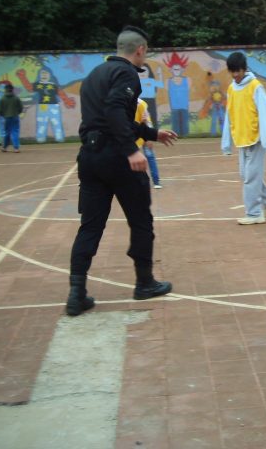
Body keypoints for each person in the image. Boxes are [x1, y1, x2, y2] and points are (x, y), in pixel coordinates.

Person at [66, 26, 178, 315]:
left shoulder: (94, 75)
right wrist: (131, 150)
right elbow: (115, 111)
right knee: (141, 221)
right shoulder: (126, 74)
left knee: (90, 226)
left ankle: (76, 293)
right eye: (146, 52)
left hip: (90, 157)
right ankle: (144, 283)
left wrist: (152, 133)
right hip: (117, 157)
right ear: (140, 50)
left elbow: (110, 119)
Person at [221, 51, 266, 225]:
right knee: (246, 175)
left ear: (244, 68)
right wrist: (226, 141)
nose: (235, 74)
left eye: (238, 71)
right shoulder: (232, 89)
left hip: (256, 138)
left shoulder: (255, 86)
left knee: (250, 177)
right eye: (232, 71)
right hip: (242, 138)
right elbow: (229, 114)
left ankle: (254, 213)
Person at [136, 98, 162, 188]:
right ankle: (139, 182)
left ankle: (156, 181)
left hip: (143, 133)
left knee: (150, 156)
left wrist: (149, 138)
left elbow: (147, 120)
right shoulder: (122, 102)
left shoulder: (141, 103)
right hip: (132, 135)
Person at [0, 82, 24, 153]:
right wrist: (17, 113)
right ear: (12, 90)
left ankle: (4, 147)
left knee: (7, 133)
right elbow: (21, 108)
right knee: (15, 132)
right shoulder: (16, 98)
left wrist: (3, 115)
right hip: (15, 117)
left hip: (6, 118)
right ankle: (16, 148)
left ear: (5, 90)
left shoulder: (2, 99)